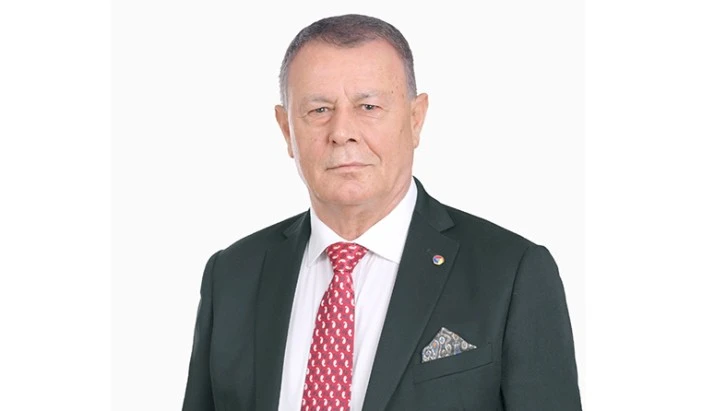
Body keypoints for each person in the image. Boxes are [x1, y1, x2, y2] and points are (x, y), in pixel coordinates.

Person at [182, 14, 581, 411]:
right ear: (287, 129)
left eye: (368, 106)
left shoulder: (511, 273)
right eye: (318, 110)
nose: (342, 132)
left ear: (415, 118)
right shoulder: (232, 276)